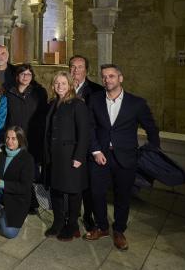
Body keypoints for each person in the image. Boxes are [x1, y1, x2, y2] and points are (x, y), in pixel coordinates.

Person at [84, 64, 160, 251]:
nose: (107, 80)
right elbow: (90, 128)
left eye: (111, 76)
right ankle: (102, 227)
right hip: (100, 155)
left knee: (123, 196)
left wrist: (149, 150)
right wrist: (95, 151)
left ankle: (118, 230)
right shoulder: (94, 100)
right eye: (104, 77)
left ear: (120, 78)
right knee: (96, 193)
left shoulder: (137, 103)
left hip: (126, 157)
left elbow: (151, 129)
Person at [43, 71, 91, 241]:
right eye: (57, 83)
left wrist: (78, 157)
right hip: (54, 156)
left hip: (71, 156)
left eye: (63, 83)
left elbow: (85, 133)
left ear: (70, 85)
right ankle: (57, 223)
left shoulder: (77, 104)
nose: (60, 86)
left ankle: (71, 225)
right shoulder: (52, 103)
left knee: (73, 192)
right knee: (55, 190)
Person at [5, 63, 48, 214]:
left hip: (32, 138)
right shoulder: (8, 92)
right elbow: (6, 116)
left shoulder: (39, 92)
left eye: (29, 74)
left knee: (30, 171)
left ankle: (32, 202)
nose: (26, 77)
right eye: (23, 74)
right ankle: (18, 199)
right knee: (15, 170)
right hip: (14, 138)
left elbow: (43, 116)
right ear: (17, 76)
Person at [69, 55, 103, 230]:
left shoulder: (96, 91)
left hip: (88, 144)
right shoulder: (63, 87)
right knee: (71, 182)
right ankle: (72, 215)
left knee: (88, 184)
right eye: (73, 67)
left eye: (80, 67)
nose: (75, 70)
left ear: (86, 70)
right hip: (68, 144)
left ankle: (88, 216)